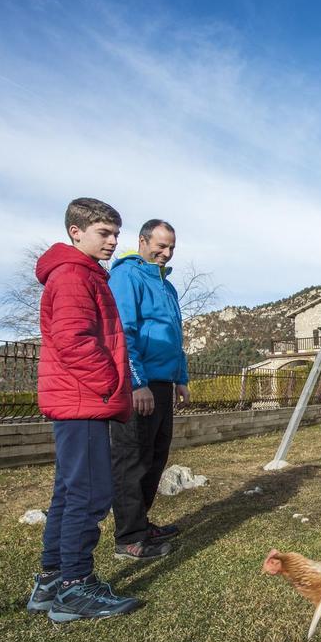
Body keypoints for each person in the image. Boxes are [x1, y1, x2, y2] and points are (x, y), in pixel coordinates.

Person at [26, 198, 140, 622]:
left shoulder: (81, 273)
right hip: (83, 401)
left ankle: (52, 580)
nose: (112, 241)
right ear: (76, 232)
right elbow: (73, 339)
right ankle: (75, 588)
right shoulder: (74, 274)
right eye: (103, 233)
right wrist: (109, 383)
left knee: (70, 491)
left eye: (115, 234)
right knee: (90, 494)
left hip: (77, 400)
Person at [108, 219, 189, 560]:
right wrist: (136, 383)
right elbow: (123, 331)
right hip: (137, 385)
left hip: (163, 382)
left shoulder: (167, 287)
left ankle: (141, 522)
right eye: (160, 245)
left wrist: (180, 378)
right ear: (142, 241)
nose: (166, 253)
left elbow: (174, 337)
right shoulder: (126, 276)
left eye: (171, 247)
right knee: (133, 459)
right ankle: (128, 537)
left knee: (156, 455)